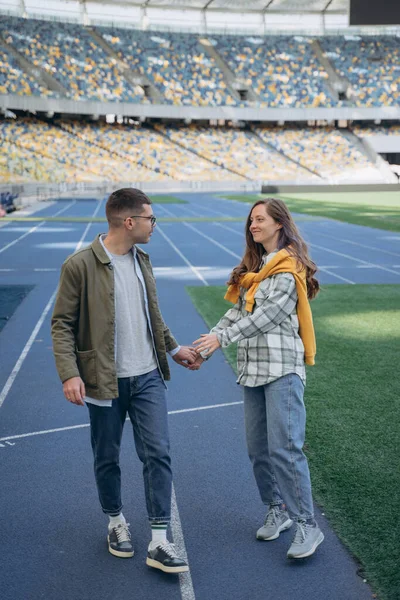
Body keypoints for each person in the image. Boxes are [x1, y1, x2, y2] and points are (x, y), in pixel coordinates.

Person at [51, 188, 198, 574]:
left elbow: (152, 312)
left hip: (148, 374)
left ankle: (160, 540)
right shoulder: (79, 265)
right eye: (151, 219)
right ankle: (116, 522)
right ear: (129, 222)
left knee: (158, 454)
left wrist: (174, 347)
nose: (155, 226)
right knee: (107, 457)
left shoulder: (142, 259)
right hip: (104, 381)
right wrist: (69, 373)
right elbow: (62, 324)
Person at [193, 198, 324, 560]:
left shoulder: (288, 266)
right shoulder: (255, 268)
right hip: (253, 371)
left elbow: (267, 316)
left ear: (279, 224)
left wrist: (222, 340)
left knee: (285, 449)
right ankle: (277, 509)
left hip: (282, 369)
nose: (253, 225)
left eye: (260, 219)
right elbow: (236, 313)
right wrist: (206, 345)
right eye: (251, 220)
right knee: (258, 451)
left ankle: (307, 526)